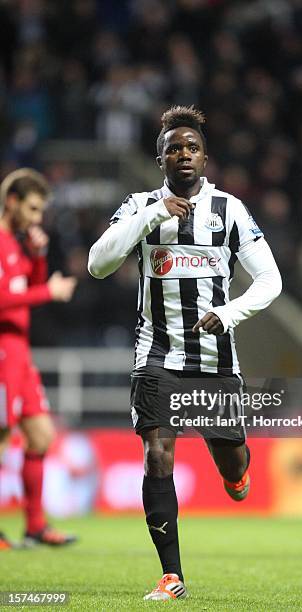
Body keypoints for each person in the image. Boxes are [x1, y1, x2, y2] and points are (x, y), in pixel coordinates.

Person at [88, 106, 282, 600]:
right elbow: (97, 264)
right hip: (156, 356)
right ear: (161, 159)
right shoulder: (139, 205)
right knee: (157, 454)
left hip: (215, 362)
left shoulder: (230, 210)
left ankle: (235, 473)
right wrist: (154, 214)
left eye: (191, 147)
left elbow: (270, 281)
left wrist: (231, 312)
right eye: (173, 147)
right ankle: (172, 575)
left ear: (204, 157)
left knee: (233, 464)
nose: (183, 154)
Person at [0, 168, 77, 549]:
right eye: (31, 209)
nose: (35, 219)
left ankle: (34, 526)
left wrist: (39, 257)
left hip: (19, 353)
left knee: (41, 435)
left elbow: (26, 288)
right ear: (11, 201)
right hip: (0, 353)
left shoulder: (16, 245)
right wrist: (48, 291)